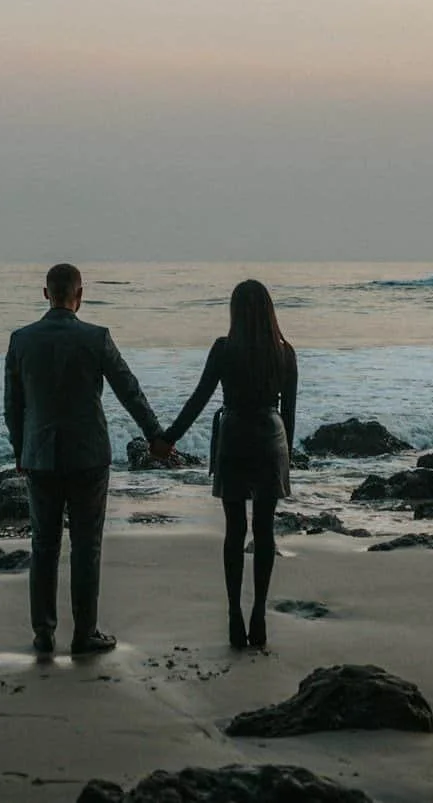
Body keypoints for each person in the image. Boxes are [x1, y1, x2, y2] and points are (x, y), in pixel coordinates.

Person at [3, 262, 172, 656]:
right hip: (89, 455)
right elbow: (129, 390)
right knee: (86, 546)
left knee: (43, 545)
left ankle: (43, 632)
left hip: (40, 455)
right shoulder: (97, 338)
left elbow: (13, 406)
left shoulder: (22, 340)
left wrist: (20, 451)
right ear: (80, 295)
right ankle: (85, 633)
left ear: (46, 294)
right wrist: (155, 436)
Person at [160, 278, 297, 649]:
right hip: (271, 437)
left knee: (234, 531)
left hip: (234, 435)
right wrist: (287, 457)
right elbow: (290, 416)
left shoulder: (224, 349)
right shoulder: (285, 352)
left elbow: (199, 399)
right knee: (265, 531)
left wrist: (167, 438)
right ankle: (260, 616)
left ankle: (234, 615)